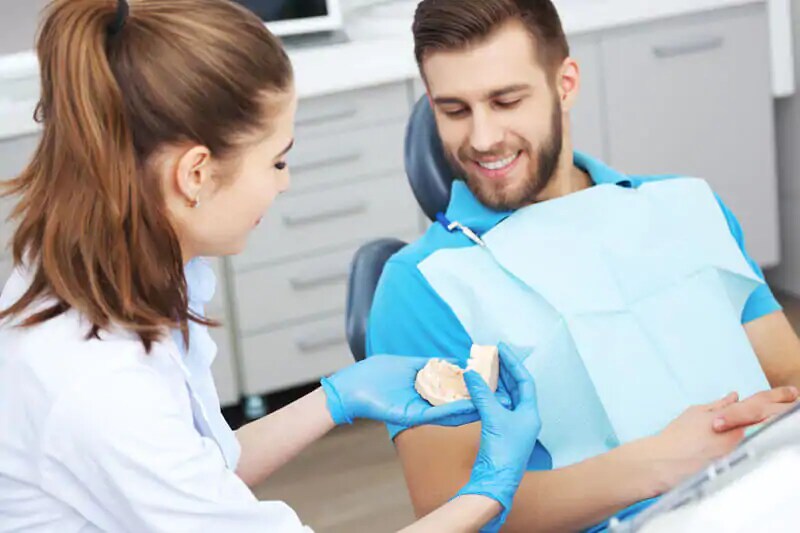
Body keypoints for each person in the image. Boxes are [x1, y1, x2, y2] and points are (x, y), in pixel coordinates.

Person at [0, 1, 540, 531]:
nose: (285, 182)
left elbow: (201, 470)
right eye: (277, 161)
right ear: (195, 174)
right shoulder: (97, 383)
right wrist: (490, 490)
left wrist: (339, 396)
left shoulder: (127, 271)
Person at [366, 0, 800, 531]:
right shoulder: (423, 284)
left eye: (506, 101)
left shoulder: (686, 205)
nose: (481, 138)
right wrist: (664, 463)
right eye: (454, 110)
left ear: (565, 84)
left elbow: (789, 374)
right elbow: (452, 511)